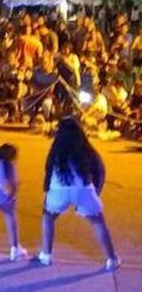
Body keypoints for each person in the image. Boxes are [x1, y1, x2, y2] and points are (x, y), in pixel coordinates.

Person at [35, 116, 120, 270]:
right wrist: (96, 192)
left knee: (48, 216)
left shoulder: (57, 147)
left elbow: (48, 170)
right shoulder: (86, 147)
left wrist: (46, 191)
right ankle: (112, 259)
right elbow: (100, 170)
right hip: (83, 189)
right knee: (98, 222)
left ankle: (46, 255)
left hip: (59, 189)